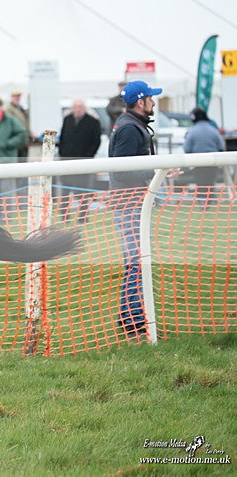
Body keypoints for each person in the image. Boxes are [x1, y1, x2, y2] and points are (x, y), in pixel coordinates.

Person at [109, 80, 180, 339]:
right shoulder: (130, 129)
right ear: (141, 101)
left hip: (132, 203)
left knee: (137, 263)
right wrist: (155, 170)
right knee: (136, 263)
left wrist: (160, 171)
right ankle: (133, 322)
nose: (154, 101)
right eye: (151, 97)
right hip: (129, 205)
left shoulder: (131, 125)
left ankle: (131, 318)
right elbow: (123, 169)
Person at [57, 99, 101, 223]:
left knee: (82, 192)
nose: (77, 109)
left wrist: (88, 156)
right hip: (66, 162)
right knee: (65, 192)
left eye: (80, 107)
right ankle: (64, 217)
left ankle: (83, 217)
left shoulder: (93, 122)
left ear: (84, 107)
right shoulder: (67, 120)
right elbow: (63, 138)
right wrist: (62, 154)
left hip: (84, 163)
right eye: (75, 107)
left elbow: (96, 141)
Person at [183, 107, 225, 198]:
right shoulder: (213, 130)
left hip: (198, 163)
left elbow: (187, 148)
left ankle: (202, 203)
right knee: (210, 183)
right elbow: (221, 146)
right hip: (213, 163)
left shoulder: (192, 131)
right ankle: (210, 202)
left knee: (200, 184)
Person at [5, 89, 31, 160]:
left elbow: (26, 123)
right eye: (15, 96)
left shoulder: (20, 108)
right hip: (15, 140)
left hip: (23, 140)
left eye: (19, 96)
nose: (17, 98)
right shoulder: (8, 109)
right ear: (12, 97)